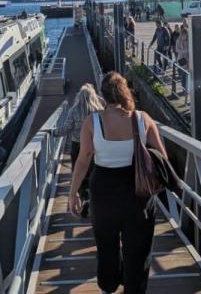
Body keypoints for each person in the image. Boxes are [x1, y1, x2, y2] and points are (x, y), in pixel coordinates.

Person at [69, 72, 167, 293]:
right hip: (138, 191)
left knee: (106, 244)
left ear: (103, 96)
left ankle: (109, 284)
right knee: (138, 248)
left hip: (103, 190)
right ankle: (134, 288)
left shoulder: (92, 122)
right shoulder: (143, 118)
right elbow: (162, 157)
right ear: (125, 91)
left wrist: (73, 192)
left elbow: (84, 160)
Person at [55, 84, 106, 217]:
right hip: (95, 146)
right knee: (94, 172)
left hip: (77, 145)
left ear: (79, 96)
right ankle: (95, 199)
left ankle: (84, 197)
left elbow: (66, 128)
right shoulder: (99, 110)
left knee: (79, 173)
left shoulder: (74, 110)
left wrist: (54, 133)